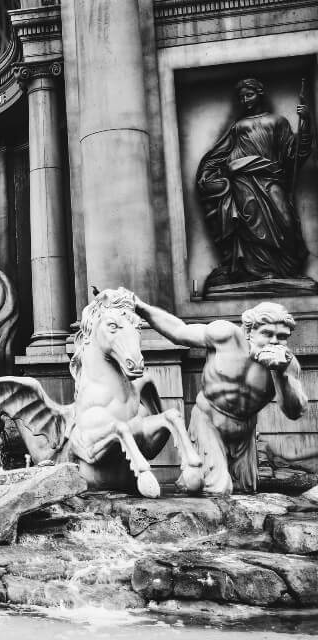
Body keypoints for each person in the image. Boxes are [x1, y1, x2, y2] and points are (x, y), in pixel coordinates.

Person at [135, 297, 307, 494]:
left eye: (282, 336)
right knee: (217, 489)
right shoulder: (225, 336)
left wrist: (280, 374)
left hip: (245, 431)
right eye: (267, 334)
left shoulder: (288, 364)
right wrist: (142, 308)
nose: (274, 341)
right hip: (209, 421)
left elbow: (294, 412)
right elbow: (179, 331)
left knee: (245, 490)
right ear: (249, 332)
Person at [196, 78, 312, 291]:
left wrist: (306, 123)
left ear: (260, 94)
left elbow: (294, 155)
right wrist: (207, 174)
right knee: (251, 225)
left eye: (249, 95)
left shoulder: (278, 121)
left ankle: (285, 270)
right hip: (244, 181)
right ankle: (257, 272)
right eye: (241, 97)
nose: (245, 100)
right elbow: (220, 154)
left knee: (286, 222)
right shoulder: (238, 127)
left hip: (272, 179)